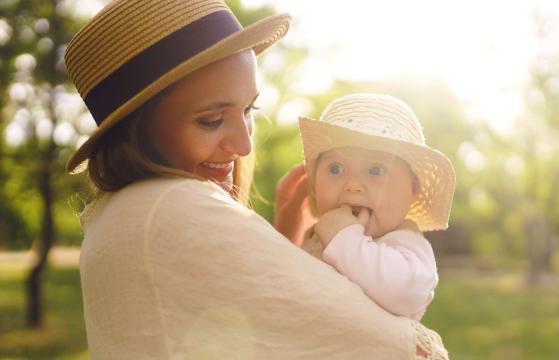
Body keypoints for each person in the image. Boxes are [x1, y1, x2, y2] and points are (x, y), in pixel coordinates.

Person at [65, 0, 448, 359]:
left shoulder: (117, 214)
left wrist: (282, 244)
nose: (245, 145)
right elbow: (390, 345)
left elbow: (267, 324)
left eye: (249, 109)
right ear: (137, 131)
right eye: (211, 120)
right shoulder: (171, 207)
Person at [296, 94, 456, 321]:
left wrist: (344, 239)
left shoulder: (407, 244)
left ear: (413, 191)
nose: (352, 185)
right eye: (335, 168)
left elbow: (404, 293)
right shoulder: (315, 237)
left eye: (376, 171)